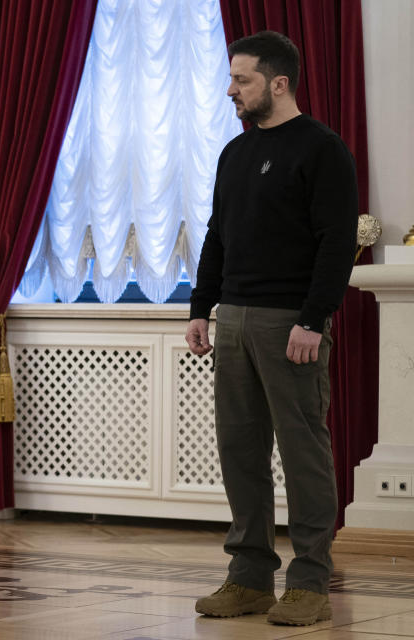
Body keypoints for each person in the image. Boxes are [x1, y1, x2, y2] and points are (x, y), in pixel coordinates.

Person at [186, 31, 358, 627]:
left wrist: (314, 318)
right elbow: (217, 235)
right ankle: (250, 577)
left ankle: (310, 582)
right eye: (232, 78)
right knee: (240, 452)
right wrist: (199, 308)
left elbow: (338, 242)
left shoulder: (322, 149)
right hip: (232, 320)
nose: (231, 90)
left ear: (278, 84)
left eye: (242, 79)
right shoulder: (234, 154)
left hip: (292, 324)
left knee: (304, 452)